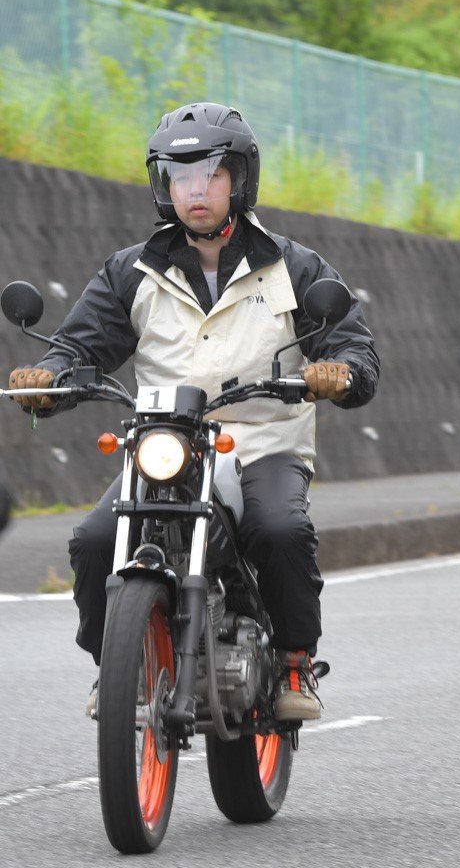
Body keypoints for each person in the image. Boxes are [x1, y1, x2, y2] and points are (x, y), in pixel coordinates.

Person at [6, 102, 379, 722]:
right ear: (164, 186)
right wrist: (48, 378)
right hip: (166, 441)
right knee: (97, 540)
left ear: (240, 180)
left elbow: (352, 346)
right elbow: (81, 346)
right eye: (180, 176)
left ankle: (294, 661)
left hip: (262, 442)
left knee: (281, 531)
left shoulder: (294, 268)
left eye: (210, 173)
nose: (195, 189)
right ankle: (115, 666)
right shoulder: (134, 271)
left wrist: (337, 373)